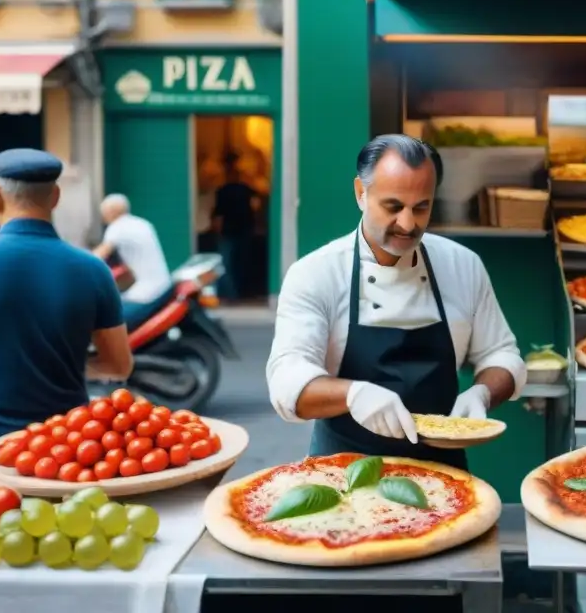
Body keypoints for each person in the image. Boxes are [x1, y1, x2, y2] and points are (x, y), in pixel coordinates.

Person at [266, 134, 527, 471]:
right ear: (361, 193)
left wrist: (482, 394)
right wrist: (354, 394)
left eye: (422, 207)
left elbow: (502, 355)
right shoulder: (316, 273)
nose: (408, 224)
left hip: (444, 474)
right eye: (393, 207)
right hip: (341, 472)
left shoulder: (462, 265)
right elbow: (288, 384)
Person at [0, 149, 134, 471]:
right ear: (55, 197)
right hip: (68, 460)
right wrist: (60, 361)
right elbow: (118, 365)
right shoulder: (93, 269)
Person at [93, 194, 173, 330]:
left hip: (147, 293)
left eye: (103, 213)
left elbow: (96, 257)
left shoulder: (117, 228)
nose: (103, 218)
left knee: (107, 323)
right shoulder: (142, 223)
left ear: (111, 212)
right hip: (162, 285)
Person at [211, 152, 257, 300]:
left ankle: (231, 295)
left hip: (229, 232)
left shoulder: (223, 191)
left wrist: (217, 232)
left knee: (226, 265)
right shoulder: (246, 190)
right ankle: (239, 294)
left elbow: (218, 215)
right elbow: (256, 206)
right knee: (241, 264)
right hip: (244, 230)